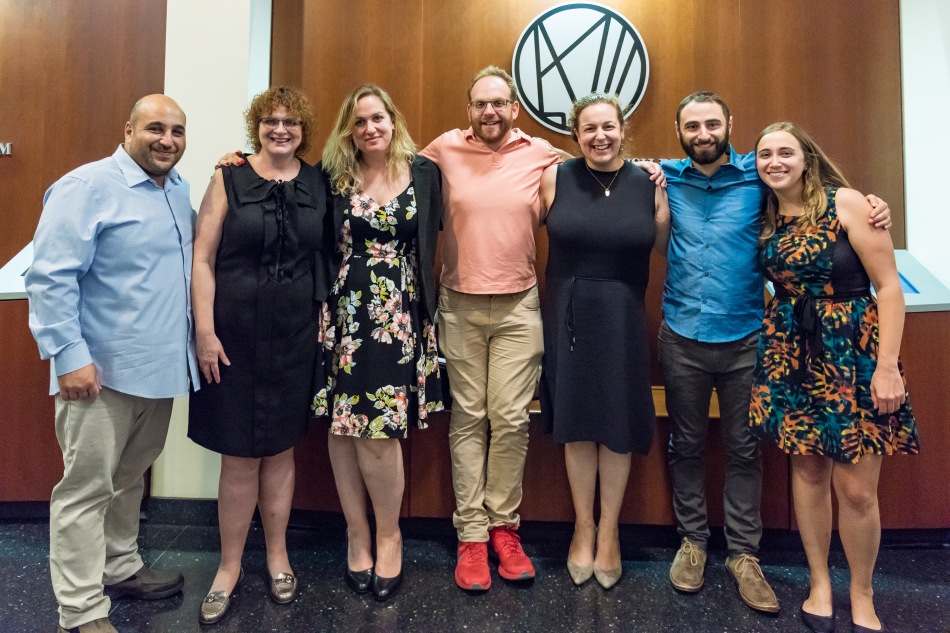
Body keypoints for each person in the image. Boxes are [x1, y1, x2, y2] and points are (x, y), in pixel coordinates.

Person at [418, 66, 664, 591]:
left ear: (515, 108)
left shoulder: (544, 156)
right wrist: (249, 161)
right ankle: (471, 535)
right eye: (480, 103)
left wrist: (652, 169)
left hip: (520, 306)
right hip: (459, 303)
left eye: (499, 103)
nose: (490, 111)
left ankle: (504, 529)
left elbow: (606, 164)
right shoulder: (443, 149)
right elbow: (387, 166)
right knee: (468, 419)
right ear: (469, 109)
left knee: (510, 420)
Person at [660, 92, 892, 614]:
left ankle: (744, 554)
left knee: (745, 449)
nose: (703, 133)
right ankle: (693, 542)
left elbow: (816, 194)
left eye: (712, 123)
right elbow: (601, 154)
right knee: (686, 444)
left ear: (729, 124)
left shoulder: (759, 174)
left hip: (750, 337)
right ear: (679, 132)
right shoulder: (664, 176)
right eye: (692, 126)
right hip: (681, 333)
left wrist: (872, 205)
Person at [26, 95, 195, 633]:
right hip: (99, 375)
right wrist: (68, 357)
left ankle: (119, 566)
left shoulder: (177, 190)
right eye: (155, 128)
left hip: (160, 370)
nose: (167, 140)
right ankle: (80, 610)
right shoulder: (86, 186)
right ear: (128, 130)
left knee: (127, 479)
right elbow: (50, 277)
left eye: (177, 131)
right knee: (86, 489)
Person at [750, 122, 917, 633]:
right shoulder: (764, 212)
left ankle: (862, 593)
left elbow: (889, 287)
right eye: (764, 154)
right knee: (808, 473)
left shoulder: (847, 203)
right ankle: (819, 582)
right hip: (791, 354)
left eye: (785, 152)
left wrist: (887, 366)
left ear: (807, 158)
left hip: (854, 354)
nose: (774, 162)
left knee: (859, 490)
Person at [188, 86, 328, 624]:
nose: (280, 129)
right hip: (232, 338)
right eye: (270, 120)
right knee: (239, 454)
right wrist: (204, 332)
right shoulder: (228, 177)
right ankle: (228, 566)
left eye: (290, 121)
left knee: (281, 450)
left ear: (303, 130)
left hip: (295, 337)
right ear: (257, 127)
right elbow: (202, 259)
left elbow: (326, 254)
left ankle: (276, 556)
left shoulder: (319, 182)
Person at [314, 84, 444, 601]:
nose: (370, 128)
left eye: (377, 118)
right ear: (348, 129)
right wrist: (234, 161)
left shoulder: (426, 172)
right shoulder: (331, 176)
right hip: (344, 310)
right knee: (344, 424)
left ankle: (389, 535)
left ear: (393, 120)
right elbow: (280, 177)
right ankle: (357, 534)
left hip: (399, 314)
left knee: (378, 428)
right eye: (359, 121)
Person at [537, 93, 670, 590]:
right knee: (577, 423)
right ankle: (583, 527)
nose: (600, 136)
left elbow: (665, 245)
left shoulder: (649, 182)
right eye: (589, 128)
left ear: (622, 130)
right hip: (569, 315)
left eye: (608, 127)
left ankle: (610, 531)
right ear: (576, 135)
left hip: (624, 316)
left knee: (616, 423)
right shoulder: (555, 177)